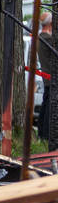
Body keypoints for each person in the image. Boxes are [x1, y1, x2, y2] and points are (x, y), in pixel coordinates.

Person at [38, 12, 57, 145]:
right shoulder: (48, 39)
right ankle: (45, 134)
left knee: (45, 105)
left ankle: (41, 133)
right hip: (51, 77)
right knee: (50, 107)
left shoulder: (41, 37)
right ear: (50, 23)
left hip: (46, 76)